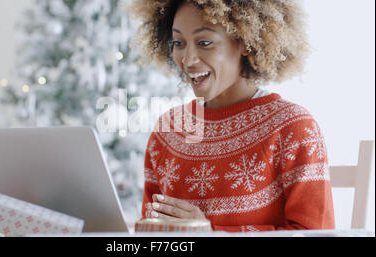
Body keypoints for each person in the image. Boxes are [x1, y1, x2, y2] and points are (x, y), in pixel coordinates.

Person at [128, 0, 335, 231]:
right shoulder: (167, 131)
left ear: (246, 42)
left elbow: (317, 234)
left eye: (204, 42)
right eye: (178, 43)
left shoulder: (293, 127)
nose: (187, 59)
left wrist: (211, 234)